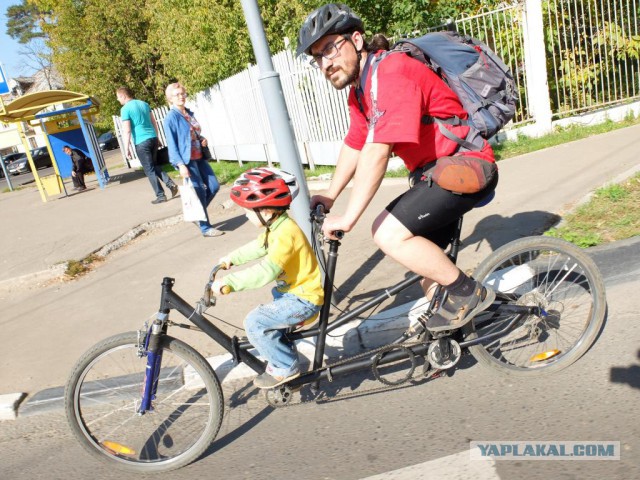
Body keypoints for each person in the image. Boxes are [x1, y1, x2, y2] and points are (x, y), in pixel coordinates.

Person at [297, 4, 498, 332]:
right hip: (435, 174)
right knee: (425, 268)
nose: (325, 62)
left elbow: (377, 151)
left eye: (330, 48)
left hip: (466, 167)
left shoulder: (391, 72)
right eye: (317, 57)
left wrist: (349, 218)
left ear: (357, 40)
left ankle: (469, 293)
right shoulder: (361, 90)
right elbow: (355, 143)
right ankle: (449, 337)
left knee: (386, 232)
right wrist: (330, 195)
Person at [211, 168, 324, 388]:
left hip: (303, 300)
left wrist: (230, 282)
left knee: (255, 322)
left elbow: (266, 272)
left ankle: (285, 367)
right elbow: (257, 247)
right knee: (266, 320)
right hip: (291, 296)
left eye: (249, 211)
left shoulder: (286, 233)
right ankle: (286, 360)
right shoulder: (276, 227)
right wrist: (231, 259)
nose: (245, 215)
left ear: (267, 211)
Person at [163, 82, 224, 237]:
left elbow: (191, 134)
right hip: (186, 160)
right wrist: (180, 165)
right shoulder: (171, 118)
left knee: (213, 186)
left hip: (199, 156)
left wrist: (202, 139)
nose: (181, 97)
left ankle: (198, 214)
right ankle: (205, 227)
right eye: (177, 94)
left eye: (183, 93)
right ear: (170, 99)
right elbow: (172, 143)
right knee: (199, 192)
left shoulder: (188, 113)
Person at [116, 86, 178, 204]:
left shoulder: (125, 109)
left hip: (141, 142)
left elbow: (127, 130)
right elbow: (154, 122)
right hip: (152, 138)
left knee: (149, 170)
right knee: (154, 165)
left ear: (123, 96)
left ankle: (160, 195)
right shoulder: (144, 104)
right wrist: (157, 137)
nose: (118, 100)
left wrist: (127, 147)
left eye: (118, 97)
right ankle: (171, 184)